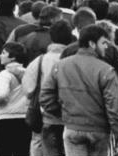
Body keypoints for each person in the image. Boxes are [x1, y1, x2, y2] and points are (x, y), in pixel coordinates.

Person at [40, 24, 118, 156]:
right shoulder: (105, 70)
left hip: (72, 127)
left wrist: (63, 113)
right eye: (103, 42)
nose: (106, 46)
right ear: (92, 44)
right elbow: (114, 106)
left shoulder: (60, 65)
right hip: (99, 129)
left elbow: (45, 96)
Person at [22, 19, 75, 156]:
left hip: (46, 114)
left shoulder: (40, 60)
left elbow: (28, 88)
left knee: (40, 143)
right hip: (73, 115)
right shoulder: (75, 59)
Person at [0, 41, 31, 156]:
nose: (0, 55)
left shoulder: (4, 75)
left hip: (7, 119)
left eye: (4, 53)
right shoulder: (28, 73)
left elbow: (1, 94)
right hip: (25, 118)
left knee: (4, 151)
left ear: (13, 57)